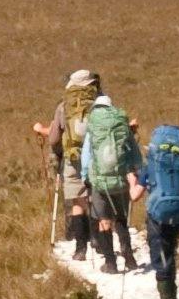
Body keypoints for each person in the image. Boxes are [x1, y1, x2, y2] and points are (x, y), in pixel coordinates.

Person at [72, 78, 140, 273]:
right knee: (121, 219)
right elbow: (133, 152)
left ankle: (110, 262)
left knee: (104, 220)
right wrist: (136, 170)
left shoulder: (94, 126)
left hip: (100, 181)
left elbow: (86, 156)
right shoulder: (120, 124)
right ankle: (129, 257)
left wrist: (86, 177)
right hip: (120, 179)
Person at [135, 121, 179, 299]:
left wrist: (133, 180)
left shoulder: (150, 167)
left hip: (157, 216)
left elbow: (134, 196)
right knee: (170, 250)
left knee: (162, 257)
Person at [32, 71, 97, 261]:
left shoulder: (64, 107)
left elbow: (54, 139)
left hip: (73, 158)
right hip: (95, 158)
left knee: (77, 201)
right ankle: (99, 241)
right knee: (94, 197)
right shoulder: (100, 105)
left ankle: (80, 248)